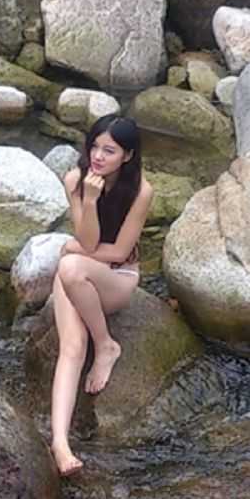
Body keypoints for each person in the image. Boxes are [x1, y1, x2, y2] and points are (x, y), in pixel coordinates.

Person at [50, 115, 153, 477]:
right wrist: (90, 201)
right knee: (71, 348)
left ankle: (106, 344)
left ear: (128, 155)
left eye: (109, 150)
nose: (97, 156)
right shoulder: (75, 180)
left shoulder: (141, 191)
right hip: (79, 272)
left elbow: (120, 252)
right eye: (94, 146)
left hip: (117, 279)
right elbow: (90, 241)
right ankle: (60, 444)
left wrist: (74, 249)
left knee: (70, 264)